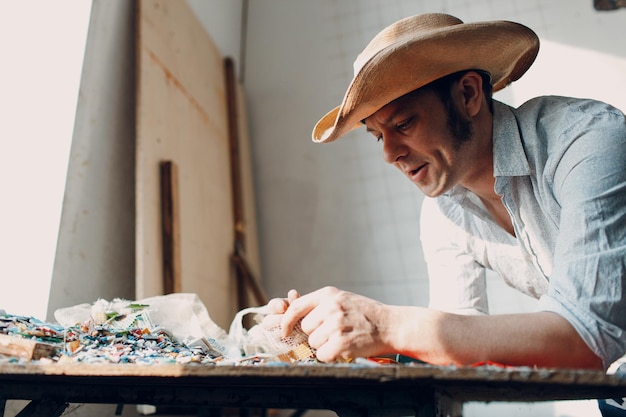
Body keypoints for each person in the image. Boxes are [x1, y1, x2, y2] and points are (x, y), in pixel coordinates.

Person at [264, 13, 626, 373]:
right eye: (377, 136)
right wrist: (328, 333)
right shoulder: (444, 212)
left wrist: (385, 325)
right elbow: (456, 348)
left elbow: (587, 339)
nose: (389, 154)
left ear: (468, 94)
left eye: (403, 123)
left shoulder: (586, 143)